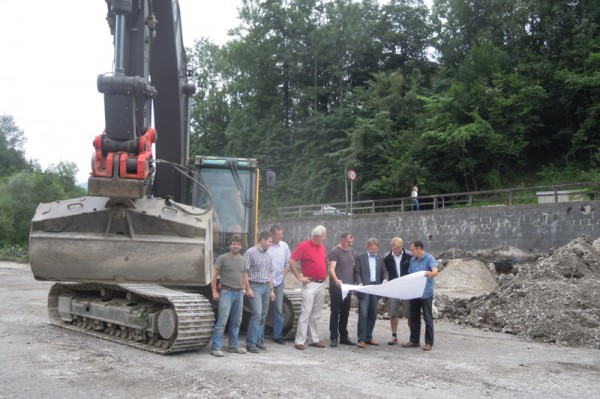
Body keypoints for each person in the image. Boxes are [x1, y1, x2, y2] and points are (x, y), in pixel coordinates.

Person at [289, 225, 328, 350]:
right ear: (317, 236)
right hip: (310, 284)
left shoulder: (321, 246)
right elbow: (291, 261)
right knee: (306, 312)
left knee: (316, 313)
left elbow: (323, 262)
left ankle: (314, 339)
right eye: (323, 236)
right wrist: (299, 277)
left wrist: (325, 275)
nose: (325, 238)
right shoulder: (303, 246)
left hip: (321, 284)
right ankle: (299, 340)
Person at [210, 234, 248, 357]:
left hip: (238, 293)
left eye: (238, 244)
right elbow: (214, 275)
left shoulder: (243, 260)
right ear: (230, 245)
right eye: (233, 244)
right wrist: (215, 291)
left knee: (237, 321)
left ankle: (233, 346)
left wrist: (244, 289)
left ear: (241, 246)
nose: (235, 246)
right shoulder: (222, 258)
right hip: (226, 292)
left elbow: (244, 275)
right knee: (222, 320)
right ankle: (216, 347)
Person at [402, 240, 439, 351]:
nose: (411, 252)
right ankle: (414, 340)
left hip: (426, 293)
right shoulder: (412, 260)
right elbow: (410, 275)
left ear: (419, 249)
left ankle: (429, 342)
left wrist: (430, 274)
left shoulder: (429, 258)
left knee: (428, 318)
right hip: (415, 293)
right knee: (414, 318)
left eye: (413, 250)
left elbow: (435, 271)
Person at [244, 230, 275, 353]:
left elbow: (270, 273)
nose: (271, 244)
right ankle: (250, 343)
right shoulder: (250, 252)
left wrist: (272, 289)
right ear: (262, 240)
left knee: (263, 315)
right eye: (269, 241)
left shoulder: (268, 255)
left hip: (266, 287)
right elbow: (245, 272)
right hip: (255, 286)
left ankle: (258, 340)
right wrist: (248, 288)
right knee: (256, 314)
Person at [354, 238, 388, 348]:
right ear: (368, 247)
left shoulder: (380, 258)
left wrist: (385, 279)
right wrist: (359, 282)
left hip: (375, 288)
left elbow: (384, 271)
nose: (374, 250)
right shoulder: (360, 257)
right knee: (363, 314)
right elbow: (357, 272)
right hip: (364, 288)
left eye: (375, 248)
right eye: (372, 248)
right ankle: (361, 339)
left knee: (373, 314)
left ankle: (369, 336)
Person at [328, 231, 356, 347]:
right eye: (348, 242)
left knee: (345, 312)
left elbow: (353, 268)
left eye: (351, 242)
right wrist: (336, 280)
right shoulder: (335, 252)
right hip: (337, 287)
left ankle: (344, 336)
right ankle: (334, 337)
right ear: (342, 240)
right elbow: (331, 269)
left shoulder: (352, 251)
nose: (350, 244)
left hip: (348, 287)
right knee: (335, 311)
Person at [383, 237, 412, 345]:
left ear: (402, 247)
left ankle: (412, 337)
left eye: (398, 248)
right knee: (393, 313)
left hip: (406, 289)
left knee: (409, 314)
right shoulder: (387, 257)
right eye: (394, 248)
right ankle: (394, 336)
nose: (396, 250)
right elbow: (385, 271)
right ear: (392, 247)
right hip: (393, 289)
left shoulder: (409, 256)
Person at [267, 224, 291, 344]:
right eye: (278, 234)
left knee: (279, 308)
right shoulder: (267, 246)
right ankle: (259, 336)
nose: (281, 236)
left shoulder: (284, 246)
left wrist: (283, 275)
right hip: (266, 281)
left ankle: (277, 336)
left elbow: (288, 263)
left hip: (279, 281)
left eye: (281, 234)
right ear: (272, 235)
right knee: (264, 309)